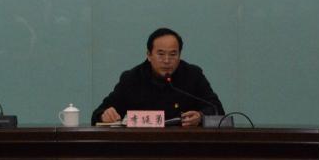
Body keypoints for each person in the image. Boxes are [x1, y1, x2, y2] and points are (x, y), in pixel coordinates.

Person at [92, 27, 223, 127]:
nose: (167, 60)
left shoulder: (193, 75)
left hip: (184, 146)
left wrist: (200, 116)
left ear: (179, 55)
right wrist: (104, 115)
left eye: (173, 54)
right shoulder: (132, 79)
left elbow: (217, 109)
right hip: (141, 146)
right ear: (149, 55)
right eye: (160, 54)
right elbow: (98, 113)